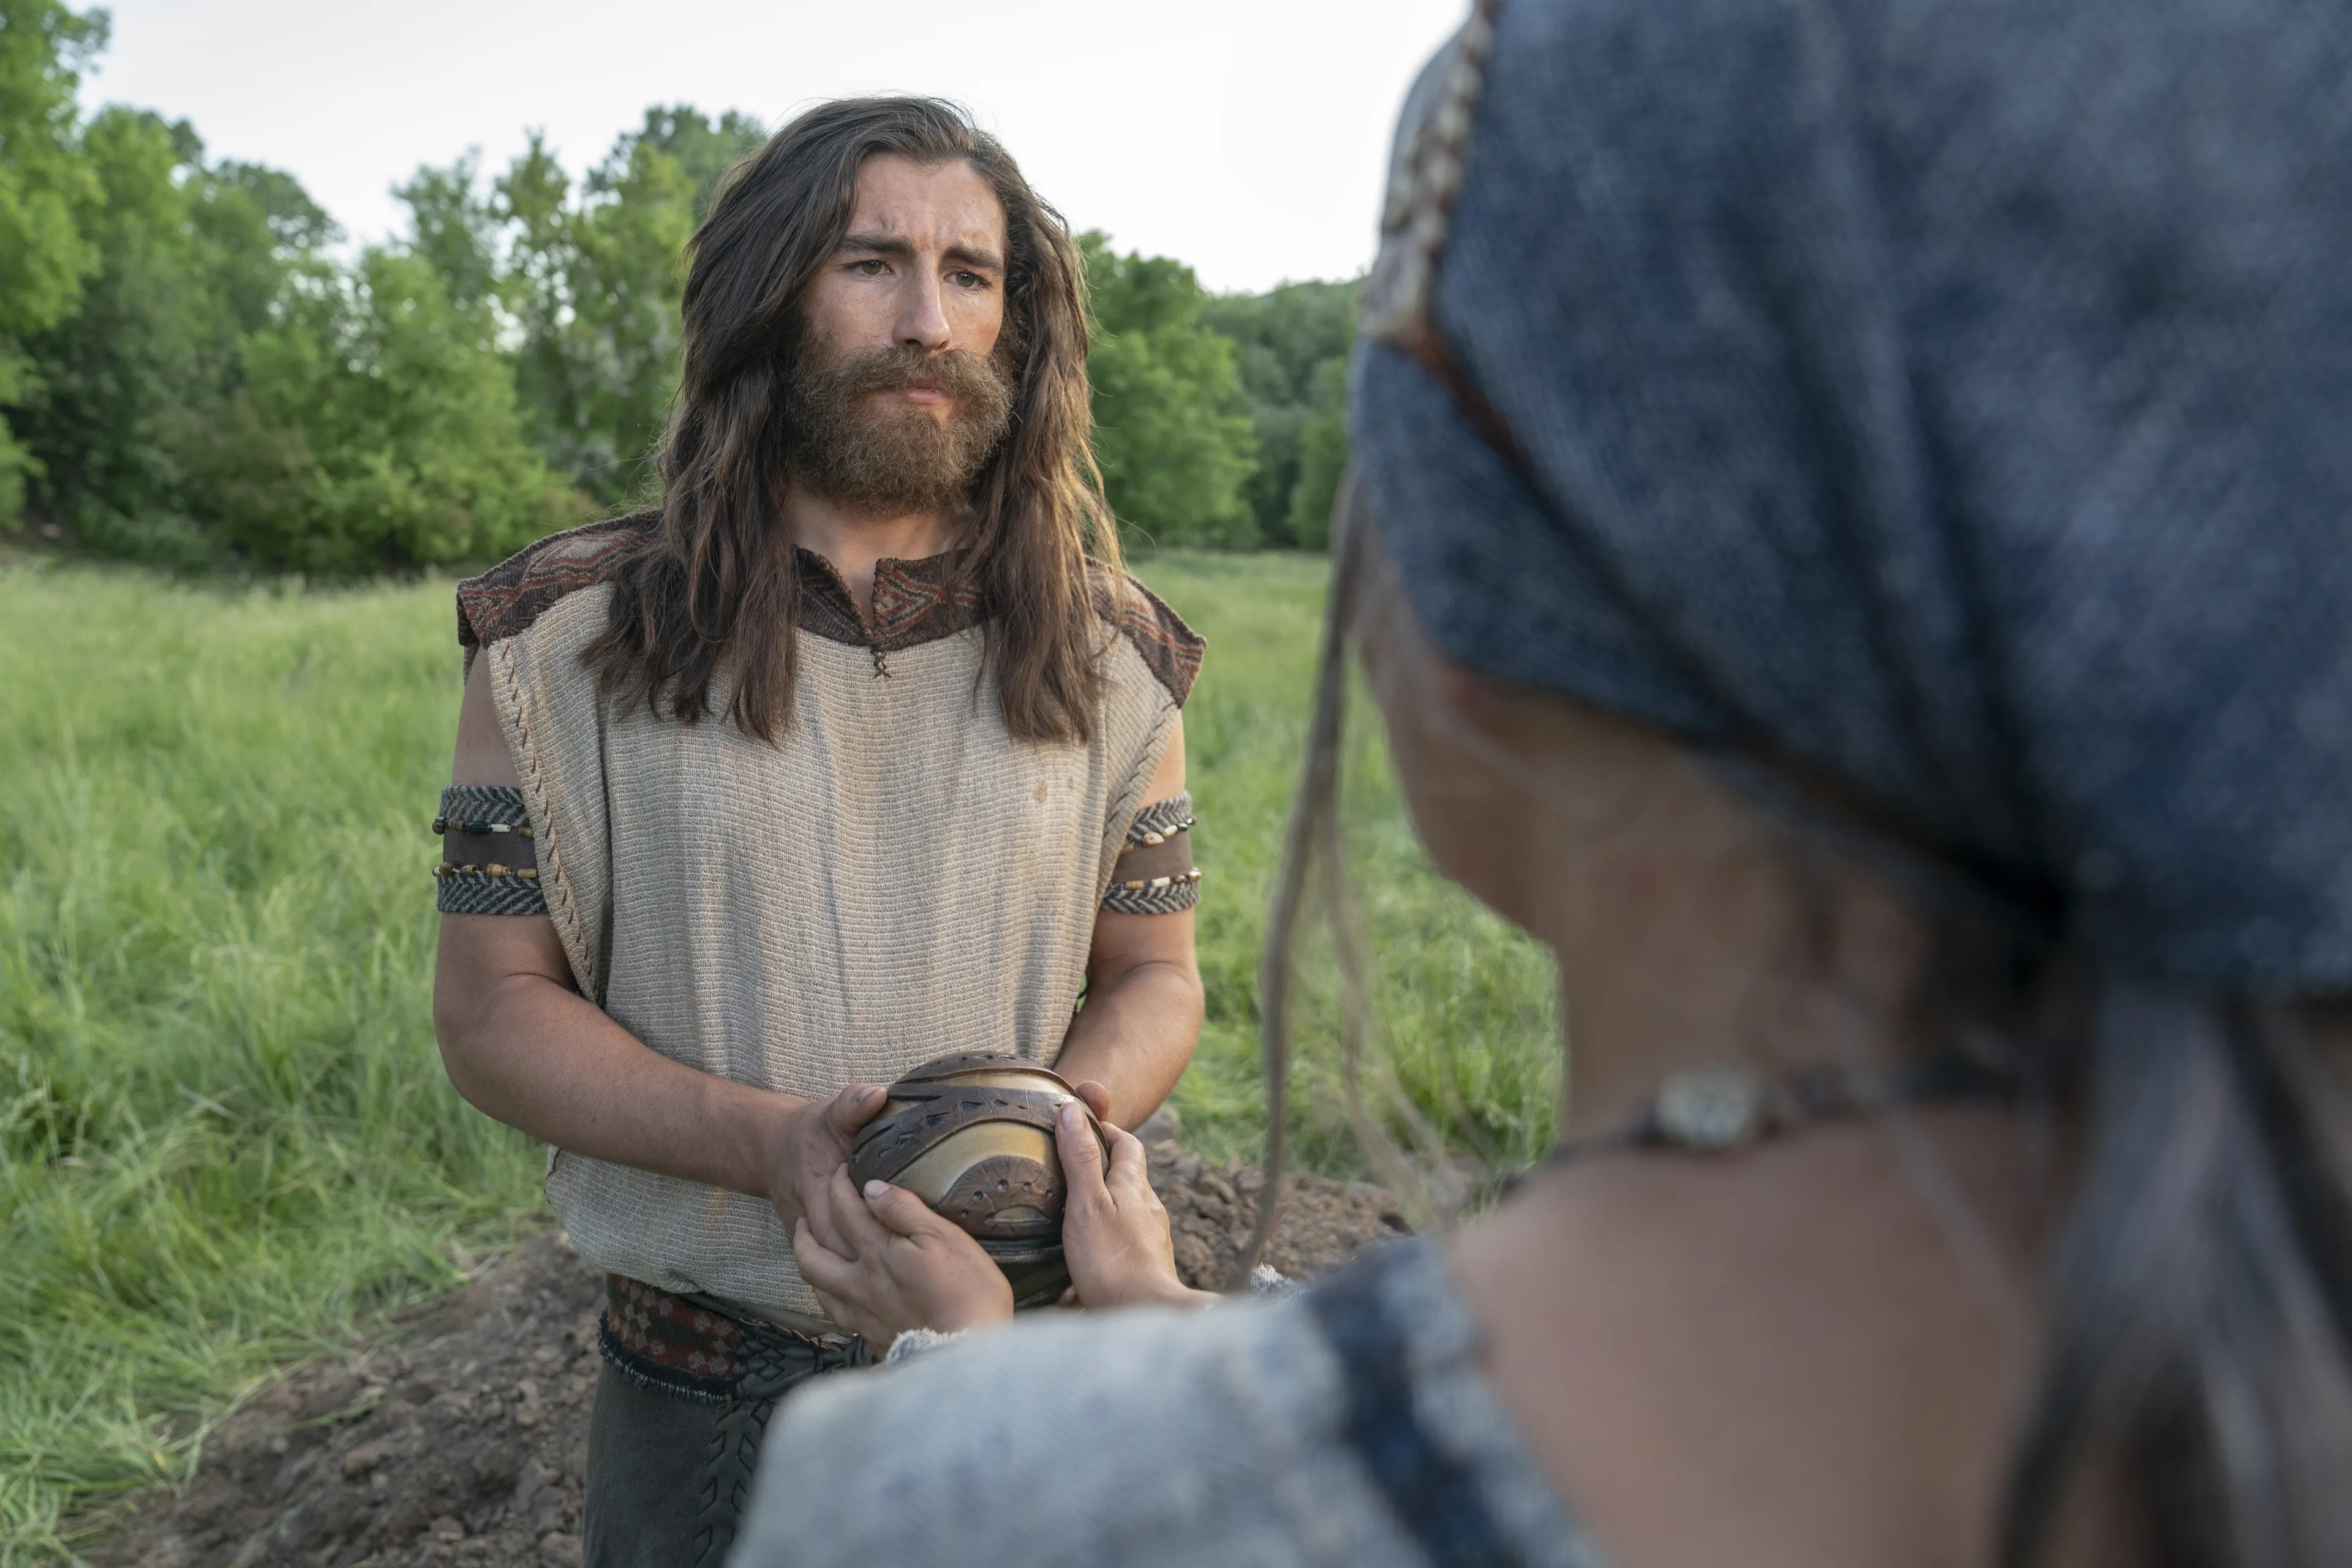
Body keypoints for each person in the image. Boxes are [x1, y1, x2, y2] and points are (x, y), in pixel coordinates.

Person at [728, 2, 2352, 1564]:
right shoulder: (2269, 1340)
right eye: (872, 264)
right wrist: (1156, 1311)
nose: (926, 314)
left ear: (1464, 648)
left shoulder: (938, 1500)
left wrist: (963, 1366)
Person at [428, 97, 1208, 1568]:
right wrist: (776, 1146)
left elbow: (1156, 975)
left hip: (1028, 1355)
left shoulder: (1114, 656)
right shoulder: (560, 637)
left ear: (1017, 320)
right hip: (706, 1395)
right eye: (871, 263)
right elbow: (490, 1013)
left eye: (970, 273)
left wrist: (1026, 1140)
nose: (928, 320)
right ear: (769, 293)